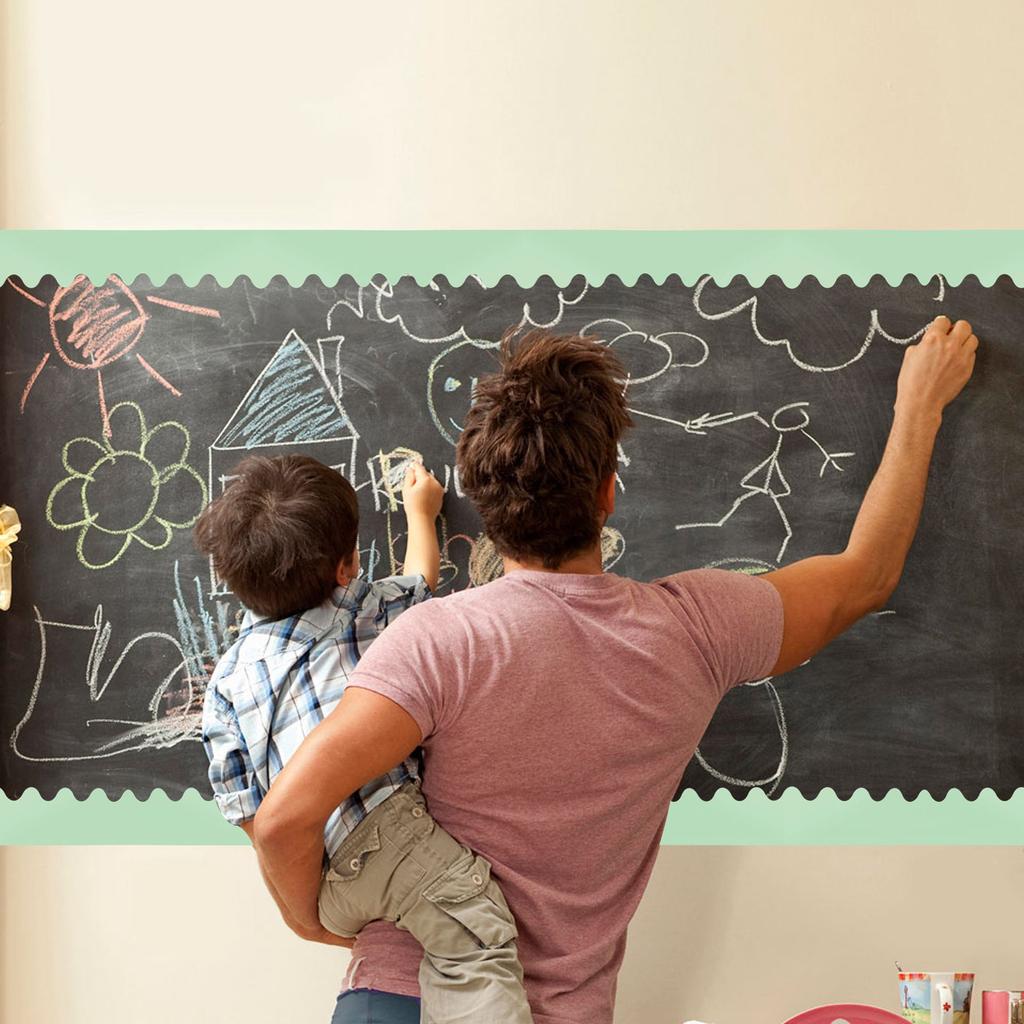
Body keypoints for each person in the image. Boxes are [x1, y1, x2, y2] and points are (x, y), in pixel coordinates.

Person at [252, 316, 978, 1024]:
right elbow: (866, 576)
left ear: (483, 502)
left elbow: (285, 818)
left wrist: (312, 923)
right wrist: (920, 404)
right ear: (606, 494)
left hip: (405, 995)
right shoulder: (697, 627)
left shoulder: (438, 640)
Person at [196, 454, 533, 1024]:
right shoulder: (362, 610)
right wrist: (419, 512)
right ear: (347, 567)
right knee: (482, 943)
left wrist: (312, 911)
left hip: (323, 881)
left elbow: (253, 815)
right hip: (390, 835)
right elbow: (422, 581)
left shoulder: (224, 686)